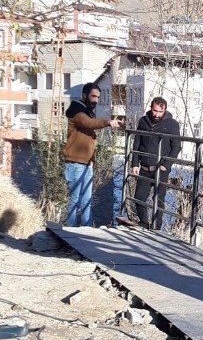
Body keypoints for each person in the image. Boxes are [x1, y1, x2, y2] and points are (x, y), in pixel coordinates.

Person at [63, 82, 120, 227]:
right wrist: (107, 122)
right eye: (93, 96)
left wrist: (92, 160)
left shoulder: (86, 110)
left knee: (86, 201)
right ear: (85, 95)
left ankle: (87, 231)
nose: (96, 100)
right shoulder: (76, 111)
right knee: (75, 200)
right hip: (75, 162)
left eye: (98, 97)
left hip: (87, 163)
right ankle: (70, 232)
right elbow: (88, 123)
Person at [130, 97, 181, 230]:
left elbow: (176, 146)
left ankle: (156, 227)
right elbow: (137, 143)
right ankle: (144, 223)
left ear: (165, 110)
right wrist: (135, 163)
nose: (156, 114)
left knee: (159, 199)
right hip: (145, 167)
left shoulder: (172, 124)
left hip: (161, 169)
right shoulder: (143, 121)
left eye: (159, 111)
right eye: (154, 110)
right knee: (139, 197)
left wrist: (166, 165)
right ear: (151, 108)